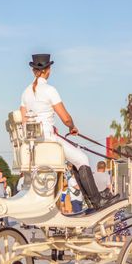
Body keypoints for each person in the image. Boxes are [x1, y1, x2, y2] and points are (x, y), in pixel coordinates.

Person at [20, 54, 120, 210]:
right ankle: (97, 201)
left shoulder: (25, 93)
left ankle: (92, 199)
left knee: (76, 162)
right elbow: (65, 118)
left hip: (35, 143)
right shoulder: (49, 90)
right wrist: (72, 127)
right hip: (50, 140)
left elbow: (24, 120)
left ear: (34, 71)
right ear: (48, 70)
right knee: (83, 159)